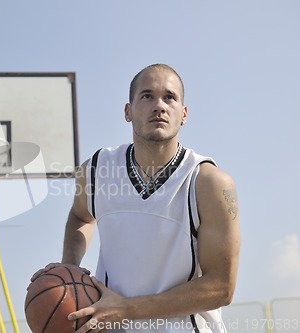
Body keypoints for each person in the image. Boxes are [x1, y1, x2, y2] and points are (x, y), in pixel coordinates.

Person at [31, 64, 240, 333]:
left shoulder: (208, 183)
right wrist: (68, 270)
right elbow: (80, 216)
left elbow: (220, 288)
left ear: (184, 114)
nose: (159, 106)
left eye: (170, 97)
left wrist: (128, 309)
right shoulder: (96, 171)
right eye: (147, 96)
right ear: (128, 111)